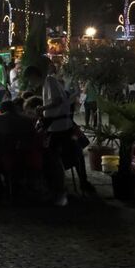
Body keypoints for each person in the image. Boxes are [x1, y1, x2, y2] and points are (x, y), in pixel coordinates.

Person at [25, 65, 94, 205]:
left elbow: (57, 101)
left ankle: (58, 189)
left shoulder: (49, 81)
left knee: (53, 159)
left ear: (34, 75)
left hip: (58, 127)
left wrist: (41, 108)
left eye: (30, 79)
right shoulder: (49, 82)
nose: (30, 83)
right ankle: (70, 185)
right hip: (60, 125)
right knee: (65, 157)